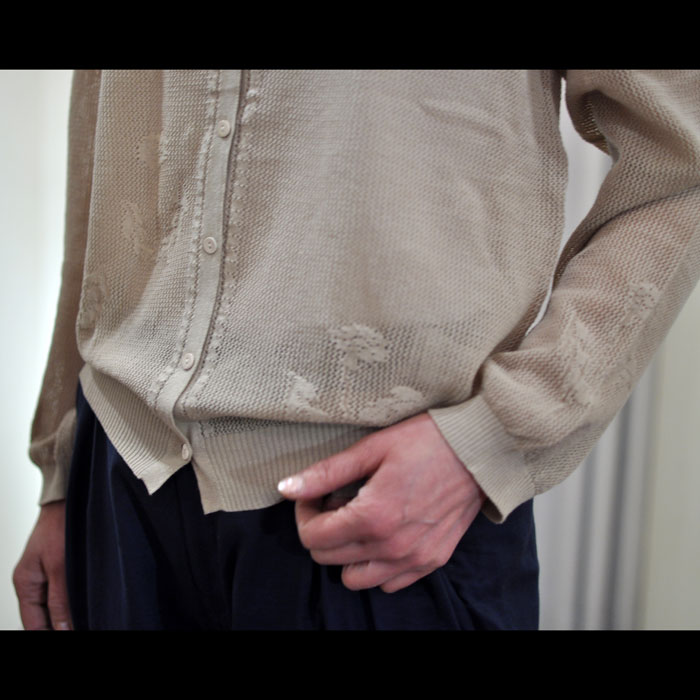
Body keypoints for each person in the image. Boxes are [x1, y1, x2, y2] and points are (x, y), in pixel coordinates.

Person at [13, 70, 700, 630]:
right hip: (120, 477)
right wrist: (62, 471)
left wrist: (496, 437)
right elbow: (101, 150)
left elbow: (683, 161)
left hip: (388, 518)